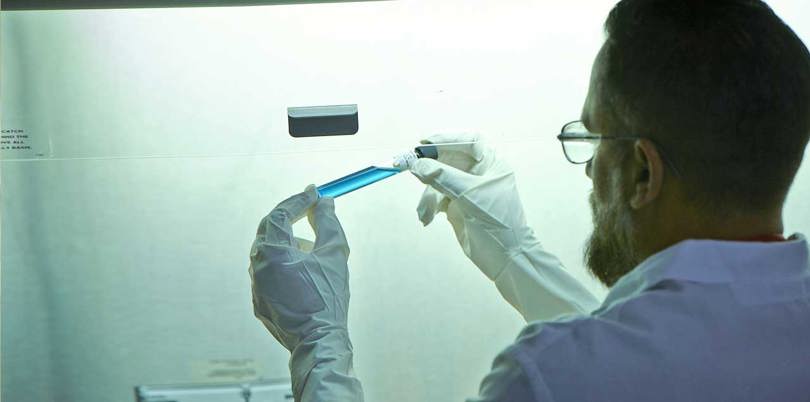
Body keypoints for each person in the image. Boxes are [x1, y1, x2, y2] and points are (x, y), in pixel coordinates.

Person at [248, 0, 810, 400]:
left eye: (594, 139)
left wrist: (319, 343)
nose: (589, 170)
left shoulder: (547, 378)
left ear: (643, 172)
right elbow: (666, 353)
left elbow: (608, 370)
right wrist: (516, 256)